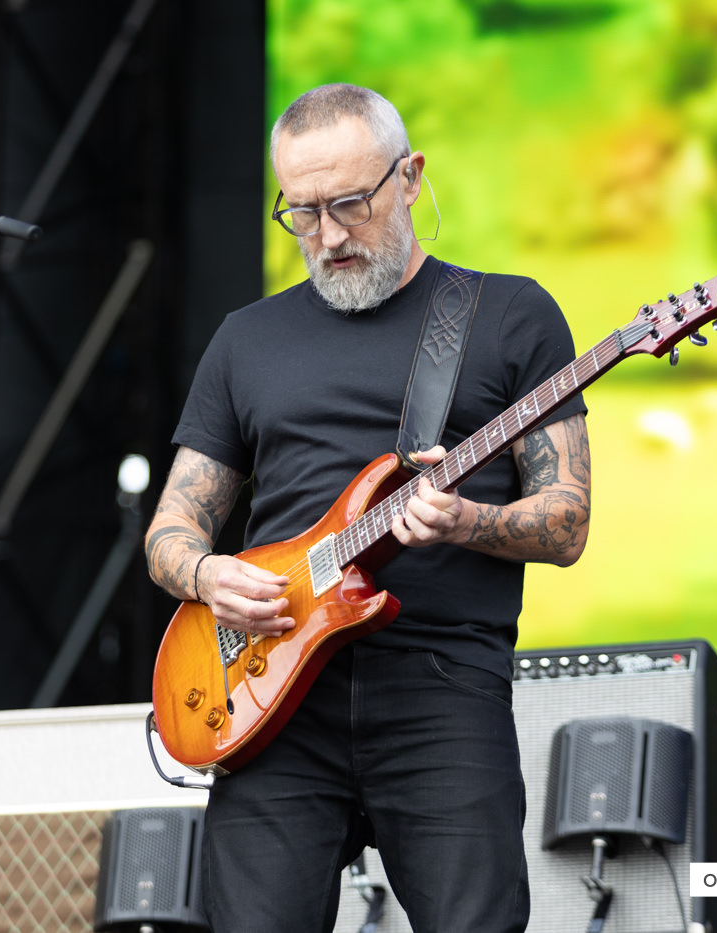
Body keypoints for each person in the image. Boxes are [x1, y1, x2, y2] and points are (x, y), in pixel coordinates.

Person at [144, 83, 591, 933]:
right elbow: (171, 529)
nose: (331, 236)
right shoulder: (246, 338)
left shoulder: (509, 315)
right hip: (270, 697)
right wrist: (207, 576)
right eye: (303, 214)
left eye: (350, 203)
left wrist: (470, 522)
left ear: (411, 176)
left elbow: (567, 519)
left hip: (441, 690)